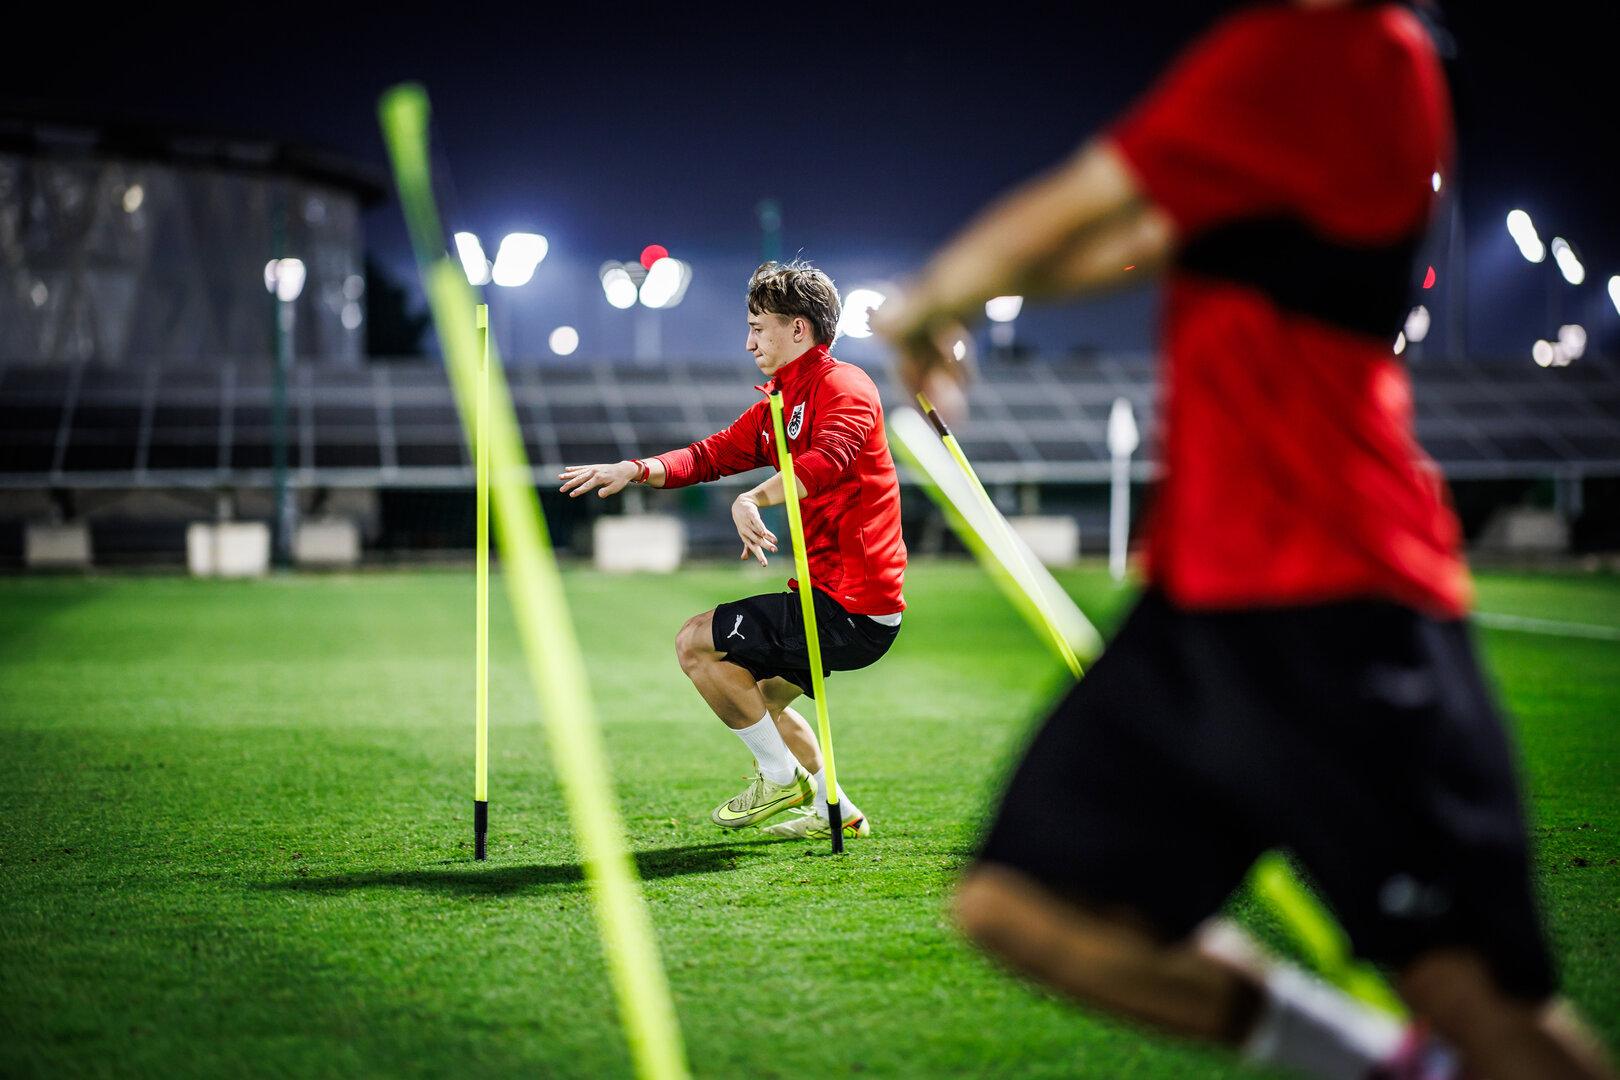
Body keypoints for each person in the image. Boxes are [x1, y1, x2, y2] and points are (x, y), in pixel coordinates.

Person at [876, 2, 1613, 1077]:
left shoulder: (1322, 45)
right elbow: (1140, 239)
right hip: (1206, 602)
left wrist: (929, 299)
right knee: (1021, 905)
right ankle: (1380, 1065)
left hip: (1335, 593)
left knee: (1478, 999)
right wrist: (973, 294)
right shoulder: (1332, 69)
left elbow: (1089, 200)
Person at [560, 260, 907, 841]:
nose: (748, 343)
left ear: (800, 329)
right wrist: (636, 468)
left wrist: (754, 498)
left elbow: (826, 463)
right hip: (830, 598)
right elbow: (708, 454)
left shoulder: (845, 385)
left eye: (758, 327)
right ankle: (835, 810)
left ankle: (777, 778)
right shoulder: (778, 401)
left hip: (854, 606)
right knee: (757, 698)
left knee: (696, 643)